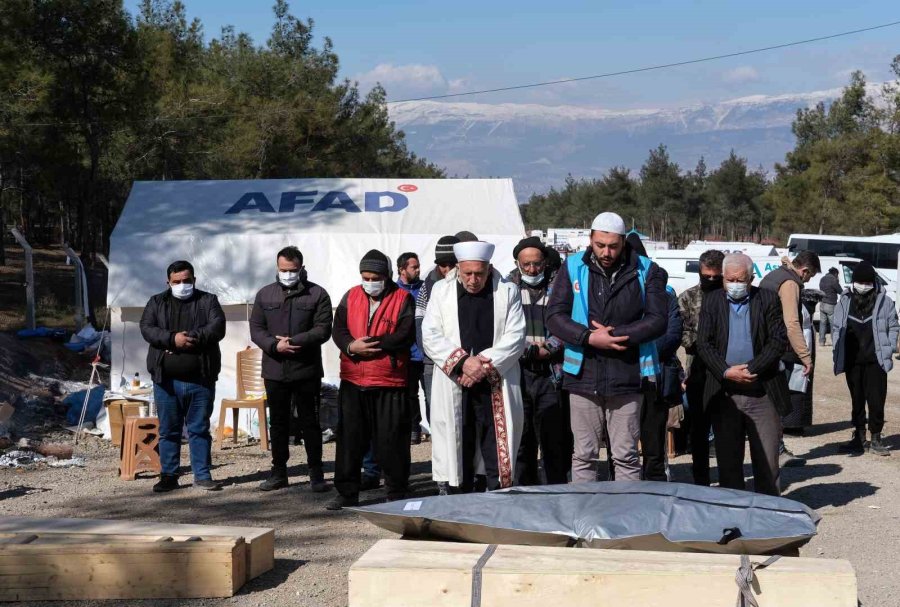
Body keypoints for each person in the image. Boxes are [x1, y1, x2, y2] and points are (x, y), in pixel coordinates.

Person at [546, 212, 668, 482]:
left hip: (627, 375)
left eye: (613, 246)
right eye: (600, 245)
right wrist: (588, 337)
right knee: (584, 455)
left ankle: (626, 521)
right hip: (582, 375)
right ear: (591, 239)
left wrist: (614, 336)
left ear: (624, 242)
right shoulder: (572, 267)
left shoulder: (648, 270)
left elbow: (658, 320)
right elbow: (554, 315)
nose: (606, 252)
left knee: (626, 455)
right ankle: (583, 518)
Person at [423, 241, 527, 493]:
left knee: (495, 448)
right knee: (459, 444)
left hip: (495, 383)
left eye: (479, 273)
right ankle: (458, 500)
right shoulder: (440, 291)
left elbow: (516, 336)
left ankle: (498, 501)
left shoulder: (507, 291)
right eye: (467, 273)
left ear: (489, 269)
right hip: (455, 381)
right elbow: (430, 334)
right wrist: (462, 363)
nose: (473, 280)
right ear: (457, 268)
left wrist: (480, 366)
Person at [327, 250, 416, 510]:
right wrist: (350, 347)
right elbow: (338, 329)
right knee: (349, 440)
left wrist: (371, 345)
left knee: (392, 439)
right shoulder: (351, 295)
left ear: (386, 276)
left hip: (389, 380)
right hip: (354, 380)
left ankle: (397, 491)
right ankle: (346, 492)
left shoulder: (402, 299)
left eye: (375, 277)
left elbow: (405, 335)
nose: (369, 282)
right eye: (365, 277)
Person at [696, 253, 791, 496]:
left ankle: (768, 514)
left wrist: (752, 368)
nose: (735, 285)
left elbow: (778, 340)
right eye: (730, 280)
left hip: (762, 392)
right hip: (725, 393)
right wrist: (726, 371)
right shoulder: (712, 301)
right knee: (728, 462)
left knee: (767, 462)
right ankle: (735, 514)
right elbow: (704, 344)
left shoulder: (767, 299)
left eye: (741, 280)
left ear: (751, 278)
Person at [249, 246, 333, 492]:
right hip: (275, 370)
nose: (287, 274)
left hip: (306, 369)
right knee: (278, 423)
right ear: (277, 268)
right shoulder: (265, 295)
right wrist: (275, 346)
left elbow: (323, 329)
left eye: (292, 270)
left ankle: (316, 473)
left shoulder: (317, 294)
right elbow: (256, 329)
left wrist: (294, 342)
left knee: (311, 422)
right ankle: (279, 472)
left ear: (301, 268)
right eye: (283, 270)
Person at [139, 260, 225, 492]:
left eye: (187, 281)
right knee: (168, 430)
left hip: (201, 379)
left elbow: (217, 328)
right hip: (166, 380)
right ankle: (169, 475)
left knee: (199, 429)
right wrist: (171, 339)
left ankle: (203, 475)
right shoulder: (156, 302)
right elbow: (147, 328)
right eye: (177, 282)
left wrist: (190, 338)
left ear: (194, 280)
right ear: (168, 282)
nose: (182, 285)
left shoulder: (208, 301)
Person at [508, 236, 571, 485]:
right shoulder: (508, 288)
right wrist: (527, 351)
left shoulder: (559, 287)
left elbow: (568, 323)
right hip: (519, 372)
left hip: (552, 373)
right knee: (523, 441)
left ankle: (556, 495)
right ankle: (526, 493)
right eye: (526, 265)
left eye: (537, 264)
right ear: (518, 263)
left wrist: (550, 348)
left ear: (545, 262)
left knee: (554, 440)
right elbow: (503, 331)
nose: (532, 270)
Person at [625, 232, 683, 482]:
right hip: (624, 374)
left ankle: (656, 482)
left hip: (655, 375)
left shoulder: (664, 292)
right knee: (623, 440)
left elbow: (673, 332)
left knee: (654, 437)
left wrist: (647, 352)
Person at [759, 251, 821, 462]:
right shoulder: (790, 283)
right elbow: (792, 323)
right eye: (810, 276)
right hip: (778, 351)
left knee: (768, 403)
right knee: (776, 404)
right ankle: (777, 451)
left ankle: (774, 449)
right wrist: (805, 356)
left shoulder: (775, 274)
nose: (808, 280)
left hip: (763, 346)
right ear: (804, 271)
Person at [832, 261, 898, 456]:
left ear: (873, 282)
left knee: (877, 400)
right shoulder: (844, 300)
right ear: (854, 282)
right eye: (860, 282)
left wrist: (889, 347)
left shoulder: (885, 301)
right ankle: (859, 437)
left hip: (876, 361)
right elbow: (836, 327)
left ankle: (876, 437)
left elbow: (894, 326)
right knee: (857, 400)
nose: (863, 285)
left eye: (867, 282)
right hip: (852, 361)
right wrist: (837, 349)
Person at [678, 249, 724, 486]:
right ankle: (700, 481)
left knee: (727, 431)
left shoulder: (730, 296)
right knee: (699, 431)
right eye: (708, 276)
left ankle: (729, 479)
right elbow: (681, 335)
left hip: (728, 373)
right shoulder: (688, 298)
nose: (712, 281)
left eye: (717, 277)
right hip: (698, 371)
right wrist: (704, 342)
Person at [414, 234, 461, 436]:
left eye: (452, 263)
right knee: (437, 413)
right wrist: (438, 355)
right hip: (433, 361)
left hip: (463, 361)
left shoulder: (469, 283)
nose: (447, 269)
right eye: (443, 264)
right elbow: (420, 326)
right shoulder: (427, 286)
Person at [396, 252, 427, 444]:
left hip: (427, 352)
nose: (418, 270)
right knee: (409, 393)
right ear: (402, 269)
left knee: (432, 394)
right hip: (408, 353)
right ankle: (413, 427)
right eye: (413, 267)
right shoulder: (394, 291)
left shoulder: (425, 288)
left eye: (418, 266)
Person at [819, 267, 842, 346]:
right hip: (830, 305)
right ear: (835, 273)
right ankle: (834, 341)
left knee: (822, 323)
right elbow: (840, 291)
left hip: (822, 303)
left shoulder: (822, 278)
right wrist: (837, 281)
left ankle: (821, 342)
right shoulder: (833, 280)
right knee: (833, 324)